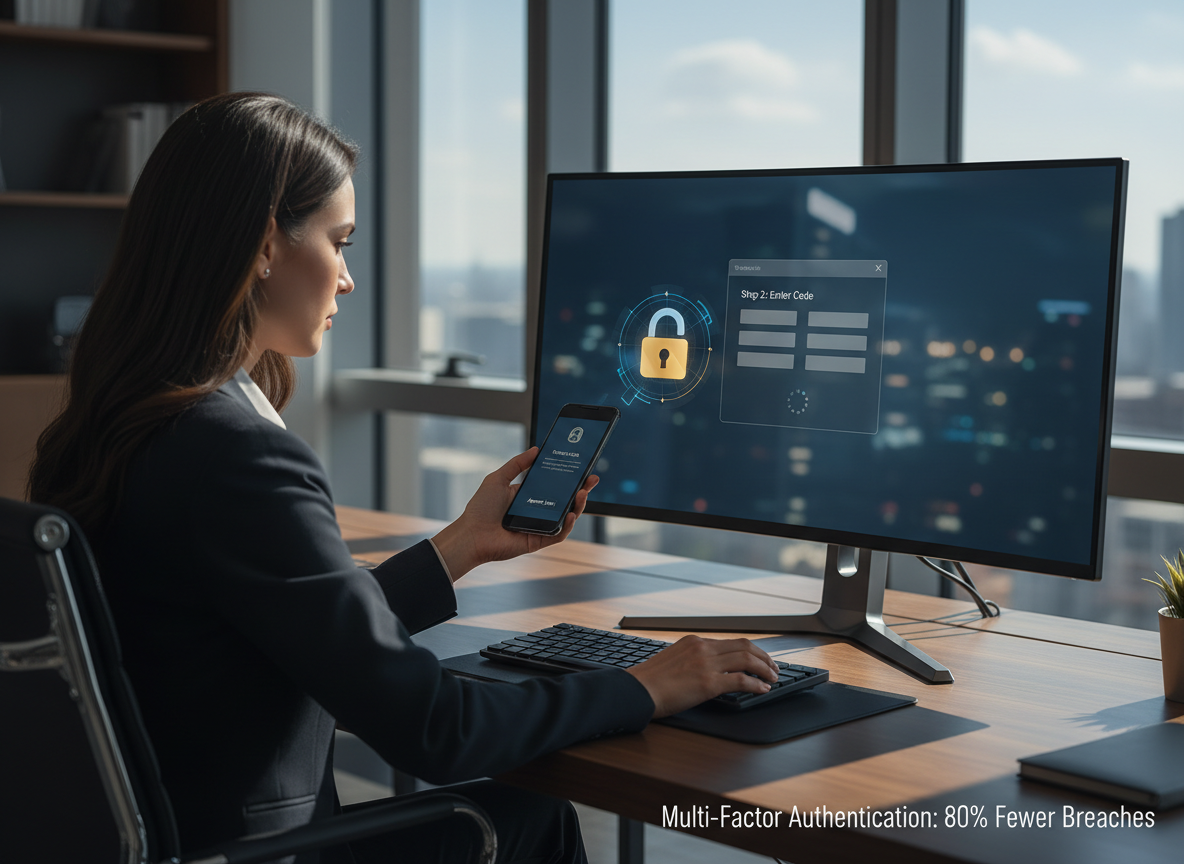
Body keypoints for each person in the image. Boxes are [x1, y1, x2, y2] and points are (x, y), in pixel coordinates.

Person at [28, 92, 778, 864]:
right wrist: (644, 686)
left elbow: (290, 625)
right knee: (530, 818)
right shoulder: (240, 458)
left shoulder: (103, 433)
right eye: (339, 242)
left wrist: (460, 546)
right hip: (257, 853)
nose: (348, 279)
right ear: (264, 245)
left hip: (158, 840)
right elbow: (437, 730)